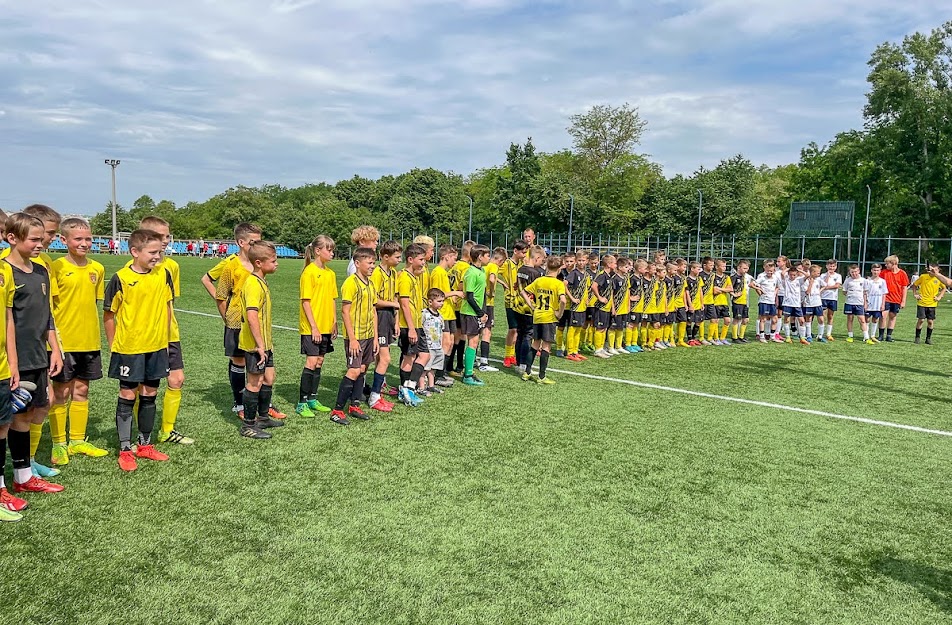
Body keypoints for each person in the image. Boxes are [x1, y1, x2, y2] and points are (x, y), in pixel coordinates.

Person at [2, 213, 64, 493]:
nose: (42, 244)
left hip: (39, 353)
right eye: (35, 239)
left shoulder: (41, 271)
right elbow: (8, 321)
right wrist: (12, 361)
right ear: (12, 238)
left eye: (43, 239)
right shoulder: (5, 272)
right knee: (15, 416)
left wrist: (55, 348)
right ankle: (19, 475)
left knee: (31, 412)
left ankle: (23, 475)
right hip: (17, 357)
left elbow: (47, 314)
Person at [103, 229, 173, 471]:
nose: (158, 256)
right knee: (128, 395)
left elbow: (166, 307)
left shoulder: (163, 274)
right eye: (153, 252)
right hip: (129, 348)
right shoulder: (121, 278)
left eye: (160, 251)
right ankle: (125, 448)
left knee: (150, 393)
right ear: (135, 252)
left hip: (156, 347)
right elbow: (109, 314)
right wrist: (113, 346)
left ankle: (145, 444)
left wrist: (165, 340)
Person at [48, 218, 109, 466]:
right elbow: (50, 307)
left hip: (89, 341)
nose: (84, 243)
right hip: (63, 343)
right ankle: (58, 444)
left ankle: (77, 440)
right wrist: (54, 341)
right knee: (61, 392)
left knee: (82, 390)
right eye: (78, 239)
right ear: (64, 240)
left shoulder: (98, 268)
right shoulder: (56, 267)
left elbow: (93, 304)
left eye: (88, 239)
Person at [135, 216, 193, 444]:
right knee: (143, 387)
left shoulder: (172, 267)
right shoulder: (132, 268)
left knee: (176, 380)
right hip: (143, 337)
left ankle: (167, 431)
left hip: (169, 335)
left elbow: (170, 303)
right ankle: (140, 433)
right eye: (159, 237)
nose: (165, 241)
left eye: (167, 236)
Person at [201, 223, 261, 420]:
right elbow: (208, 280)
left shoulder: (259, 262)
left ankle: (259, 399)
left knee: (256, 359)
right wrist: (226, 313)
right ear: (241, 242)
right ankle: (239, 403)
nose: (257, 245)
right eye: (253, 242)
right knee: (238, 359)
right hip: (236, 319)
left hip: (255, 320)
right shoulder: (230, 264)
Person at [238, 241, 285, 438]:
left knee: (269, 378)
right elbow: (251, 315)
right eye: (273, 261)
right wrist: (259, 345)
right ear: (259, 262)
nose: (277, 264)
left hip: (265, 343)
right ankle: (248, 425)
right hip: (254, 345)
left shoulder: (262, 281)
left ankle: (263, 417)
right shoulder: (252, 284)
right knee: (254, 382)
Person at [330, 247, 379, 425]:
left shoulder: (371, 283)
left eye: (374, 262)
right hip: (356, 336)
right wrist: (351, 339)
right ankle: (336, 410)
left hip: (368, 335)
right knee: (353, 370)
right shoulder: (350, 283)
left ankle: (354, 405)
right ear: (357, 263)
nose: (373, 266)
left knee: (364, 369)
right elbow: (345, 312)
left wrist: (375, 337)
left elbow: (374, 311)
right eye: (369, 263)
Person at [296, 235, 337, 417]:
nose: (332, 253)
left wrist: (334, 321)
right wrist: (313, 327)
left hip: (326, 326)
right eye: (329, 249)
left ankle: (313, 398)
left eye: (333, 250)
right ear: (318, 251)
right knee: (311, 362)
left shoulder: (330, 273)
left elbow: (332, 299)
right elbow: (306, 302)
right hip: (312, 327)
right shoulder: (309, 272)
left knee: (320, 361)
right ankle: (302, 403)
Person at [367, 240, 403, 411]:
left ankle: (378, 389)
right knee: (385, 358)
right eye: (396, 257)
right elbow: (373, 301)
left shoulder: (394, 273)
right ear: (385, 257)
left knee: (381, 357)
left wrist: (396, 320)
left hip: (389, 317)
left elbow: (395, 297)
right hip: (379, 316)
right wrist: (393, 305)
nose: (399, 260)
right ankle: (374, 397)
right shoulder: (376, 274)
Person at [521, 255, 567, 384]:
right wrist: (559, 313)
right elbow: (563, 300)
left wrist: (531, 306)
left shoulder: (539, 280)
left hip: (538, 315)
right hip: (549, 317)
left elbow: (523, 292)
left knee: (535, 343)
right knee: (546, 346)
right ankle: (541, 377)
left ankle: (527, 372)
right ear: (559, 269)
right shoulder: (558, 283)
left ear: (546, 266)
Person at [396, 243, 429, 406]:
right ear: (410, 259)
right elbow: (404, 304)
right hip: (409, 326)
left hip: (417, 324)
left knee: (423, 355)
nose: (424, 262)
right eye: (421, 259)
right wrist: (410, 328)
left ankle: (408, 388)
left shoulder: (413, 277)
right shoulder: (404, 278)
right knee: (409, 357)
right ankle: (406, 391)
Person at [429, 245, 464, 383]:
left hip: (449, 313)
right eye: (454, 258)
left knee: (449, 343)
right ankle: (437, 374)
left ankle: (441, 373)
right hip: (442, 313)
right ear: (446, 257)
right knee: (444, 343)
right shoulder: (438, 272)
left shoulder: (444, 272)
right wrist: (455, 293)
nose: (455, 262)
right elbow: (437, 293)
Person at [459, 244, 492, 386]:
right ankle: (467, 375)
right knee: (472, 342)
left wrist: (484, 312)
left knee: (475, 341)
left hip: (477, 312)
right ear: (479, 256)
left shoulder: (481, 271)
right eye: (487, 255)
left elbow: (482, 295)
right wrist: (480, 313)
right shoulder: (471, 273)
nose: (488, 258)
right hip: (470, 312)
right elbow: (470, 297)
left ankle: (470, 371)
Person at [497, 240, 527, 368]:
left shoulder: (521, 263)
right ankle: (507, 356)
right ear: (516, 251)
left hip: (520, 301)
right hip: (510, 301)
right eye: (523, 253)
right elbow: (491, 271)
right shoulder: (507, 264)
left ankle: (513, 355)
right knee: (513, 329)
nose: (525, 255)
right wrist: (502, 282)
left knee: (519, 330)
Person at [514, 246, 545, 367]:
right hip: (529, 307)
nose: (541, 263)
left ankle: (518, 362)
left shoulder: (521, 269)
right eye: (541, 260)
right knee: (528, 335)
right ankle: (523, 364)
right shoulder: (535, 273)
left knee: (520, 334)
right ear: (536, 258)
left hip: (518, 305)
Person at [479, 248, 503, 372]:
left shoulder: (485, 265)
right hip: (488, 303)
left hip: (480, 301)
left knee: (476, 332)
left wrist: (502, 283)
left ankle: (474, 360)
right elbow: (492, 279)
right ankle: (484, 362)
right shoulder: (494, 266)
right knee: (487, 332)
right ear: (499, 260)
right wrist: (492, 291)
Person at [563, 252, 589, 360]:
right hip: (574, 306)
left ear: (586, 261)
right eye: (579, 260)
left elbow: (586, 288)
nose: (581, 262)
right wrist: (572, 298)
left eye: (583, 260)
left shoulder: (586, 275)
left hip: (582, 306)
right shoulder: (574, 273)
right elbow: (564, 285)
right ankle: (569, 351)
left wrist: (587, 298)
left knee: (578, 328)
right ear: (576, 261)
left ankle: (575, 350)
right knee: (572, 328)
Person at [912, 262, 945, 345]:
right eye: (931, 270)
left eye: (935, 270)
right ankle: (917, 337)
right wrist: (915, 294)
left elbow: (944, 288)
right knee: (921, 320)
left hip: (932, 304)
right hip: (922, 302)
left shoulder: (938, 278)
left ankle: (928, 338)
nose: (933, 271)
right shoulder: (923, 277)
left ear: (938, 270)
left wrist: (939, 297)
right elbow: (914, 285)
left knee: (930, 321)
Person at [421, 289, 447, 396]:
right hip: (428, 346)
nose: (442, 303)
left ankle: (431, 386)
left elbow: (441, 331)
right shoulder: (424, 314)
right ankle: (421, 387)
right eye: (439, 301)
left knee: (433, 368)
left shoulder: (440, 317)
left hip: (437, 346)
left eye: (442, 301)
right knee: (425, 368)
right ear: (430, 302)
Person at [591, 254, 617, 358]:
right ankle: (597, 350)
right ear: (609, 264)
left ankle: (601, 348)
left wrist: (612, 307)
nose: (616, 265)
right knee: (600, 328)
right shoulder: (602, 275)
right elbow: (594, 286)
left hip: (607, 307)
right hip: (600, 307)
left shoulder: (610, 276)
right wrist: (600, 297)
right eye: (615, 263)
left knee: (604, 328)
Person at [751, 261, 781, 343]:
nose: (769, 272)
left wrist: (775, 293)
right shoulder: (762, 277)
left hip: (772, 302)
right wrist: (760, 289)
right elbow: (751, 284)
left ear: (774, 270)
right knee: (763, 319)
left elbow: (778, 286)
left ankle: (772, 336)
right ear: (765, 269)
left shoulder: (775, 278)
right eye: (768, 270)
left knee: (775, 319)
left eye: (771, 271)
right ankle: (761, 336)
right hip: (764, 301)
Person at [841, 264, 872, 344]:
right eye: (852, 272)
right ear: (850, 272)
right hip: (849, 303)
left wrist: (865, 303)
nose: (854, 273)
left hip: (859, 303)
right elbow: (844, 291)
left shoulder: (863, 280)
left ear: (858, 271)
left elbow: (865, 292)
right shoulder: (848, 280)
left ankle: (866, 337)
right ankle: (850, 336)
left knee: (862, 320)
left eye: (855, 272)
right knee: (850, 319)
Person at [880, 255, 909, 342]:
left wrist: (903, 301)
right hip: (885, 298)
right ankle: (881, 335)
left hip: (896, 299)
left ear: (894, 263)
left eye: (887, 263)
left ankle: (889, 335)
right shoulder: (884, 273)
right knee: (883, 316)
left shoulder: (902, 273)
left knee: (892, 316)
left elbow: (904, 288)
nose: (886, 265)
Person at [710, 259, 733, 345]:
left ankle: (723, 338)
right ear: (717, 267)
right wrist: (724, 290)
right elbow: (714, 291)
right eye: (722, 266)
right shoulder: (713, 277)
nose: (724, 268)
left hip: (724, 302)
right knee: (716, 321)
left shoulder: (727, 277)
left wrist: (720, 289)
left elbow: (730, 289)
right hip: (715, 302)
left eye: (725, 266)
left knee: (727, 320)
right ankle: (716, 338)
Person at [818, 259, 842, 341]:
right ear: (827, 266)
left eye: (833, 266)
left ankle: (828, 334)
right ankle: (820, 333)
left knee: (830, 316)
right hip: (823, 298)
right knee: (822, 316)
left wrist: (826, 287)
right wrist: (827, 276)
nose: (832, 268)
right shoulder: (822, 275)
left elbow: (837, 286)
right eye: (830, 266)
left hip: (833, 298)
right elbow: (822, 284)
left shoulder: (838, 276)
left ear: (836, 266)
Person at [729, 260, 752, 343]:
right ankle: (734, 337)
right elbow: (729, 287)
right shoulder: (734, 277)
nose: (746, 270)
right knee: (736, 319)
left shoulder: (744, 277)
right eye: (744, 268)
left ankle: (741, 336)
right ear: (739, 267)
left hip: (744, 302)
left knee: (746, 320)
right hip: (737, 302)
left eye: (747, 268)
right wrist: (734, 294)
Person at [801, 264, 823, 343]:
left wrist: (819, 291)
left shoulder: (819, 280)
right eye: (817, 272)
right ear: (812, 272)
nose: (819, 274)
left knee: (821, 319)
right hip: (809, 303)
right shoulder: (806, 281)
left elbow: (825, 285)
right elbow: (807, 292)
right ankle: (808, 335)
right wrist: (811, 283)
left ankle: (820, 336)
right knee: (809, 319)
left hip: (818, 302)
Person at [866, 264, 888, 343]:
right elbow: (865, 292)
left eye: (877, 270)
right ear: (871, 270)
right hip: (869, 303)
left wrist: (883, 304)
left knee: (875, 319)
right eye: (874, 270)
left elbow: (884, 294)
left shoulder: (882, 281)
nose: (876, 272)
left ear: (880, 271)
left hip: (878, 303)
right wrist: (865, 302)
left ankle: (872, 335)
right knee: (867, 319)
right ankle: (866, 336)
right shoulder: (868, 281)